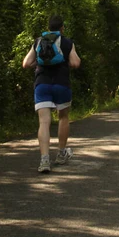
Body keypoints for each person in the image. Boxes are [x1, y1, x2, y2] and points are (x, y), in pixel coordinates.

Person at [22, 15, 81, 173]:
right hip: (61, 84)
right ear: (62, 28)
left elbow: (26, 63)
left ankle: (44, 160)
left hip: (42, 84)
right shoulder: (67, 42)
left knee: (43, 122)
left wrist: (38, 63)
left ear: (48, 27)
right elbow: (75, 63)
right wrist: (64, 61)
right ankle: (61, 154)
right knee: (63, 117)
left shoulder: (39, 41)